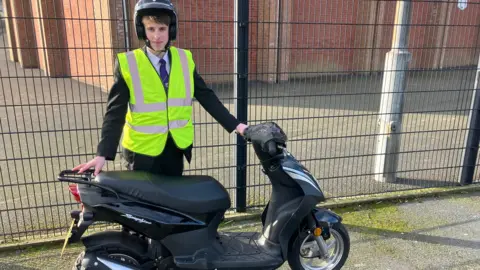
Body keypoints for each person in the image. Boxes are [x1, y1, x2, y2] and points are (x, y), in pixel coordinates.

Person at [73, 0, 247, 176]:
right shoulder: (128, 63)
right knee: (142, 202)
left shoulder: (185, 59)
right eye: (151, 29)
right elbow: (115, 112)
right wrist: (103, 154)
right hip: (142, 151)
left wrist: (237, 125)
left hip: (175, 148)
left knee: (171, 200)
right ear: (142, 30)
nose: (156, 36)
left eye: (162, 29)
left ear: (171, 29)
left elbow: (206, 97)